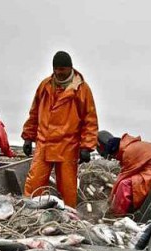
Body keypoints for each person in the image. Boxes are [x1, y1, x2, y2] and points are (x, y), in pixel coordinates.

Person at [22, 51, 98, 207]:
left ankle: (70, 217)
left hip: (68, 146)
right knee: (34, 183)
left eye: (62, 69)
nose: (58, 72)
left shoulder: (82, 89)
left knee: (68, 187)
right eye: (56, 69)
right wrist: (28, 137)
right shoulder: (44, 85)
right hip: (44, 143)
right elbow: (34, 112)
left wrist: (87, 146)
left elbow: (90, 120)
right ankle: (28, 212)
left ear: (70, 68)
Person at [97, 130, 151, 215]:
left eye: (113, 156)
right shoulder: (132, 145)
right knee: (125, 184)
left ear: (114, 150)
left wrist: (110, 201)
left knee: (124, 185)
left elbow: (122, 177)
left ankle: (117, 215)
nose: (115, 158)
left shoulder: (128, 152)